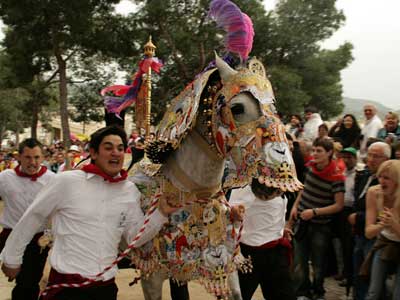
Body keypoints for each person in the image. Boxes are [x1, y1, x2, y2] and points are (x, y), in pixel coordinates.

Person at [1, 125, 178, 300]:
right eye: (108, 148)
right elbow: (33, 217)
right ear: (93, 153)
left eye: (120, 148)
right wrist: (11, 258)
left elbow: (134, 237)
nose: (115, 152)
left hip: (105, 287)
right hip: (66, 287)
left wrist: (160, 213)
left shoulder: (129, 190)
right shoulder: (67, 182)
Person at [290, 138, 345, 300]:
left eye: (319, 151)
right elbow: (304, 189)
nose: (314, 154)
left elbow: (338, 205)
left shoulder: (337, 176)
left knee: (318, 263)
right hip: (302, 221)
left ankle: (318, 291)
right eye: (313, 150)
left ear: (329, 153)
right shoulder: (310, 168)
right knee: (300, 261)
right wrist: (295, 206)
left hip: (321, 226)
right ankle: (302, 292)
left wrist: (314, 212)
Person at [0, 138, 55, 300]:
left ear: (43, 157)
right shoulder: (5, 178)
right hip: (10, 235)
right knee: (19, 278)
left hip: (36, 241)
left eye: (37, 157)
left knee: (28, 282)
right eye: (28, 157)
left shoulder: (52, 180)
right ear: (19, 157)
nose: (33, 162)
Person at [230, 180, 295, 300]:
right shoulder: (244, 188)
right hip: (248, 256)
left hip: (275, 252)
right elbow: (228, 218)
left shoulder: (283, 184)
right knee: (238, 296)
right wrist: (232, 213)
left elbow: (274, 211)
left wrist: (279, 229)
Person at [348, 141, 391, 300]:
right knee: (359, 274)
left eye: (376, 156)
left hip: (376, 235)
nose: (371, 159)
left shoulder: (387, 182)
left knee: (374, 279)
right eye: (370, 155)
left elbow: (386, 211)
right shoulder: (365, 174)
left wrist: (358, 217)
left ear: (386, 159)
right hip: (360, 233)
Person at [363, 160, 400, 300]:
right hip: (384, 241)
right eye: (380, 177)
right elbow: (368, 232)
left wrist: (393, 223)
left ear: (397, 180)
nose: (382, 181)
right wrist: (383, 225)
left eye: (387, 178)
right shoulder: (374, 192)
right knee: (373, 291)